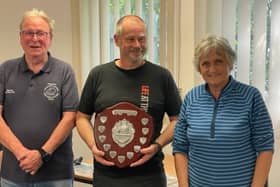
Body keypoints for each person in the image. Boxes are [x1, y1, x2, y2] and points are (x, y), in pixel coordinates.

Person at [76, 15, 182, 187]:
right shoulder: (98, 75)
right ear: (117, 40)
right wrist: (93, 145)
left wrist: (157, 145)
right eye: (130, 39)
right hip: (107, 175)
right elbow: (82, 117)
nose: (137, 45)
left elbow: (178, 120)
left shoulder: (162, 76)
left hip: (149, 176)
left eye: (142, 39)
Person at [172, 35, 274, 187]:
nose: (212, 69)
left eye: (218, 61)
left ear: (230, 64)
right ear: (199, 68)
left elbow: (265, 146)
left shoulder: (250, 97)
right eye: (205, 63)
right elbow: (180, 146)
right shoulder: (191, 98)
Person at [0, 9, 79, 187]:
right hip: (13, 173)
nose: (34, 39)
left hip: (57, 174)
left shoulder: (64, 71)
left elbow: (70, 118)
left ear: (50, 38)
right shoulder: (5, 70)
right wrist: (22, 153)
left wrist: (42, 154)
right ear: (21, 37)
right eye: (29, 33)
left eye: (41, 33)